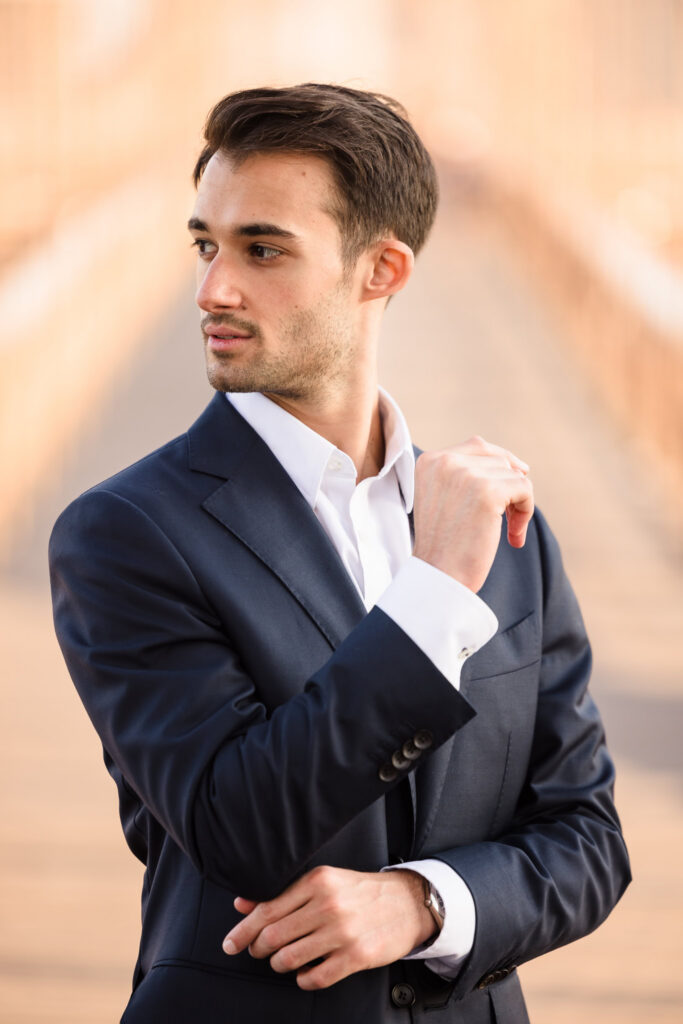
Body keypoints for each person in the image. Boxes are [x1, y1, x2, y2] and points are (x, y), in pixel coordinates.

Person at [49, 84, 630, 1024]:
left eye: (262, 249)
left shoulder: (508, 525)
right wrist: (433, 592)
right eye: (206, 245)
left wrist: (425, 903)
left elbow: (589, 840)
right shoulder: (123, 532)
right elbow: (238, 825)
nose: (212, 291)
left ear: (382, 270)